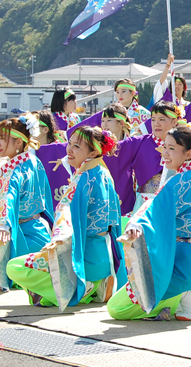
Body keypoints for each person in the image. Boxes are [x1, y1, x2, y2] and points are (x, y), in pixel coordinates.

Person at [108, 125, 191, 321]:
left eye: (171, 148)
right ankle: (182, 295)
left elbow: (153, 210)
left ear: (188, 153)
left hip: (186, 260)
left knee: (116, 308)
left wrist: (135, 225)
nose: (165, 152)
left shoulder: (179, 180)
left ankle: (183, 293)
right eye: (165, 147)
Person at [7, 127, 124, 310]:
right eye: (69, 143)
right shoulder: (103, 172)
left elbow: (66, 211)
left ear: (93, 152)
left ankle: (83, 288)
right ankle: (96, 285)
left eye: (76, 146)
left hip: (84, 255)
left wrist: (59, 238)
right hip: (105, 255)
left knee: (14, 267)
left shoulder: (82, 179)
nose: (69, 149)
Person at [0, 114, 54, 291]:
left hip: (19, 236)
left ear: (18, 143)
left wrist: (5, 225)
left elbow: (9, 197)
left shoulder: (14, 170)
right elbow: (46, 197)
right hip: (40, 231)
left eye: (2, 138)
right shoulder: (33, 161)